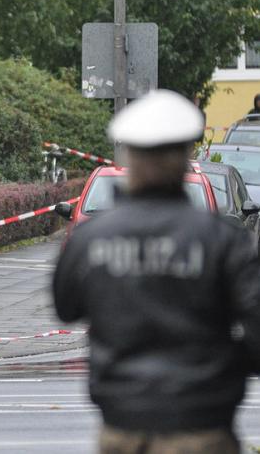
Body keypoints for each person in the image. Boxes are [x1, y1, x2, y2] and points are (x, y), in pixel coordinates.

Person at [53, 89, 260, 454]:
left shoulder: (92, 238)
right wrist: (225, 363)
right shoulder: (220, 239)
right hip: (202, 424)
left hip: (122, 425)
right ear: (185, 158)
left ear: (129, 156)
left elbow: (66, 307)